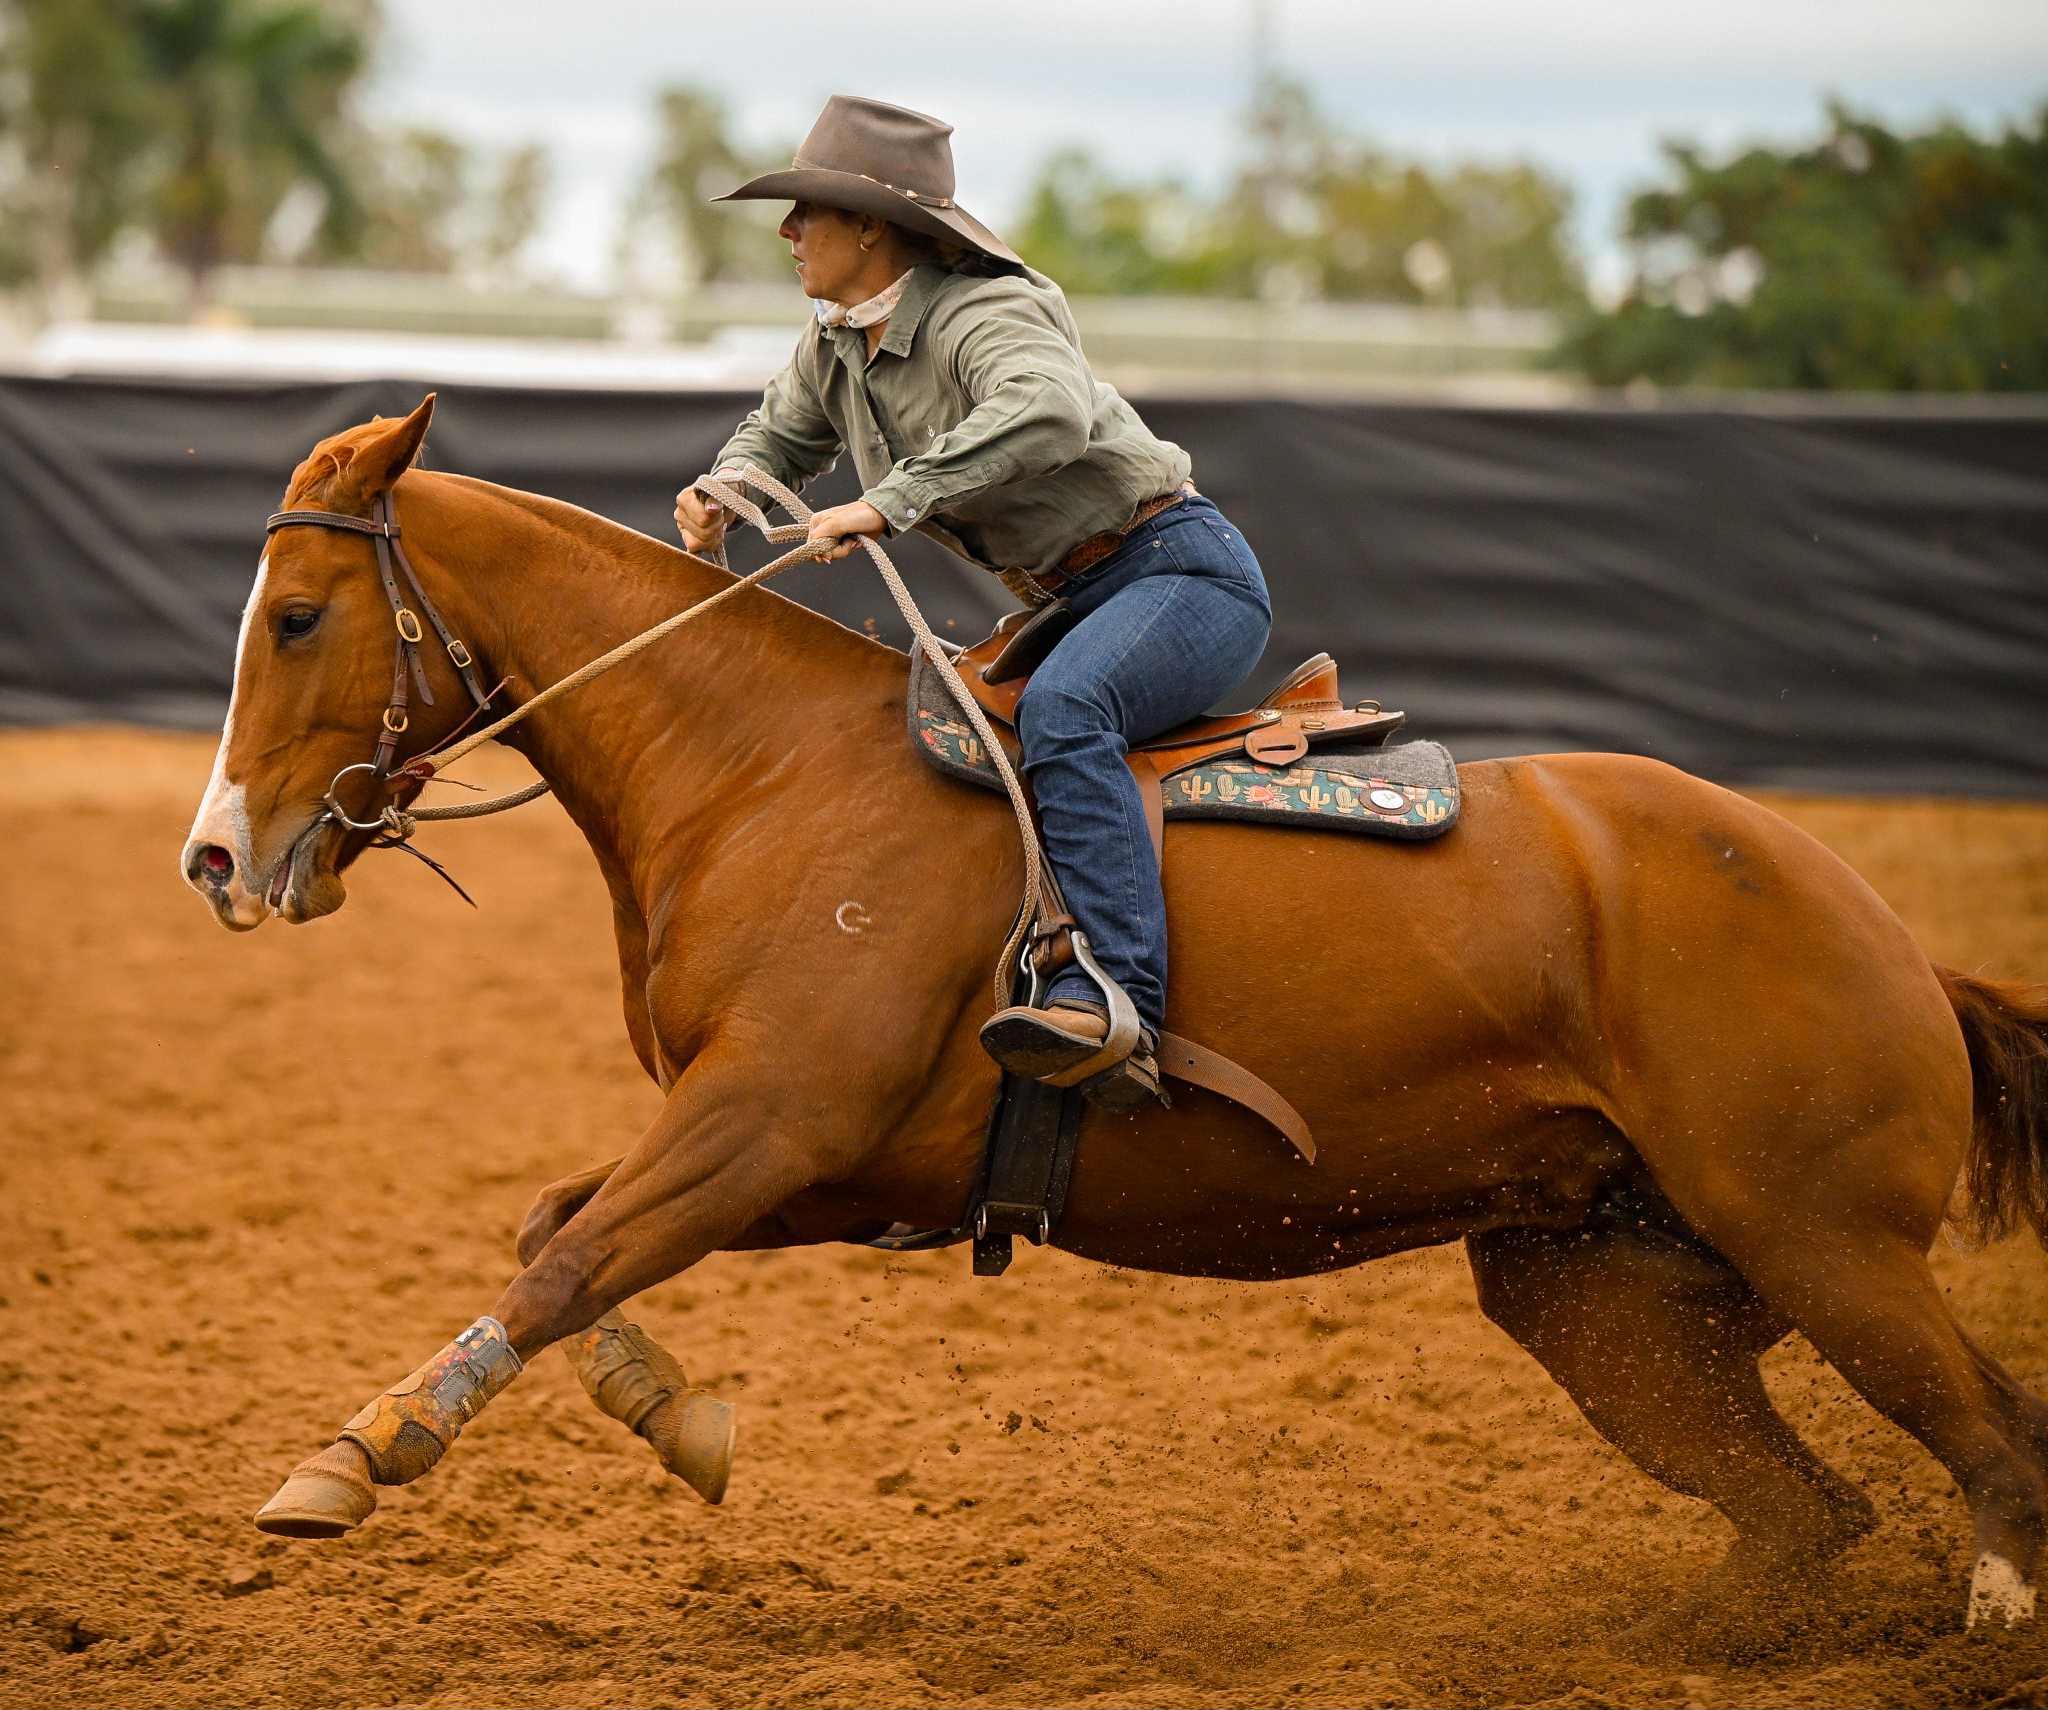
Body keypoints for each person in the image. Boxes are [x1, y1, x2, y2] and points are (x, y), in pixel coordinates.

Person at [675, 94, 1272, 1109]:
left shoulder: (982, 311)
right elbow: (771, 436)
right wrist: (723, 491)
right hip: (1075, 596)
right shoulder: (833, 346)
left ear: (870, 227)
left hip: (1177, 572)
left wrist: (884, 503)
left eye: (805, 212)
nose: (785, 234)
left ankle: (1114, 1002)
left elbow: (1045, 408)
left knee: (1066, 711)